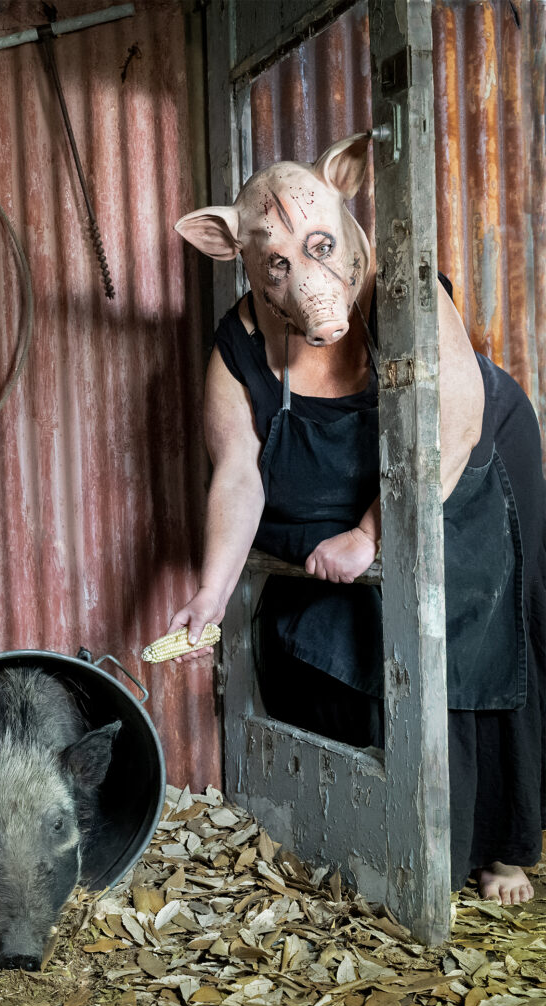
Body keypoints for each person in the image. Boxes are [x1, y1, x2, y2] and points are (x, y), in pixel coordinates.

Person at [167, 131, 546, 905]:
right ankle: (381, 825)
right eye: (277, 262)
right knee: (340, 626)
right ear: (232, 252)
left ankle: (509, 843)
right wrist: (209, 595)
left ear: (347, 205)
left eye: (319, 246)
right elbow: (238, 471)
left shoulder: (405, 291)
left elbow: (449, 424)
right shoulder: (239, 344)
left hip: (470, 451)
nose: (304, 275)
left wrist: (371, 534)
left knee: (488, 614)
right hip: (347, 492)